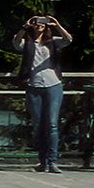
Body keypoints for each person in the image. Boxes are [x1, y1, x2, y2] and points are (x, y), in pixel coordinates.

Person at [13, 14, 73, 173]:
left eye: (42, 22)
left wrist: (57, 24)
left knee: (52, 124)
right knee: (39, 125)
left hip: (53, 85)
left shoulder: (52, 42)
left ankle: (52, 161)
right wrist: (25, 26)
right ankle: (43, 161)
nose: (39, 24)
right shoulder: (27, 43)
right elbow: (15, 42)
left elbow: (68, 40)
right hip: (34, 87)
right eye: (36, 22)